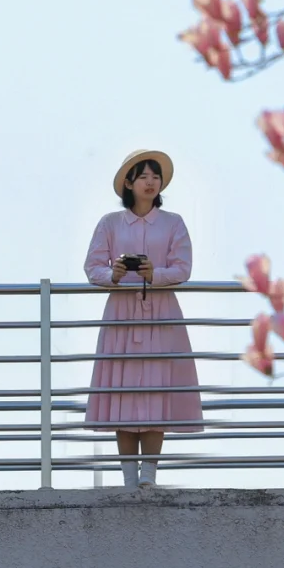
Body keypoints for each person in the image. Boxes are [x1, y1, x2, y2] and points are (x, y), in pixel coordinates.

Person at [84, 150, 203, 487]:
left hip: (160, 311)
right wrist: (115, 274)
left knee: (156, 389)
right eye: (143, 176)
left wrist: (156, 273)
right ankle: (128, 478)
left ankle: (149, 474)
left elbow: (183, 268)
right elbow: (92, 268)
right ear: (129, 183)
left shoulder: (173, 222)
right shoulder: (109, 223)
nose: (151, 182)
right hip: (122, 312)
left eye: (155, 176)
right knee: (123, 392)